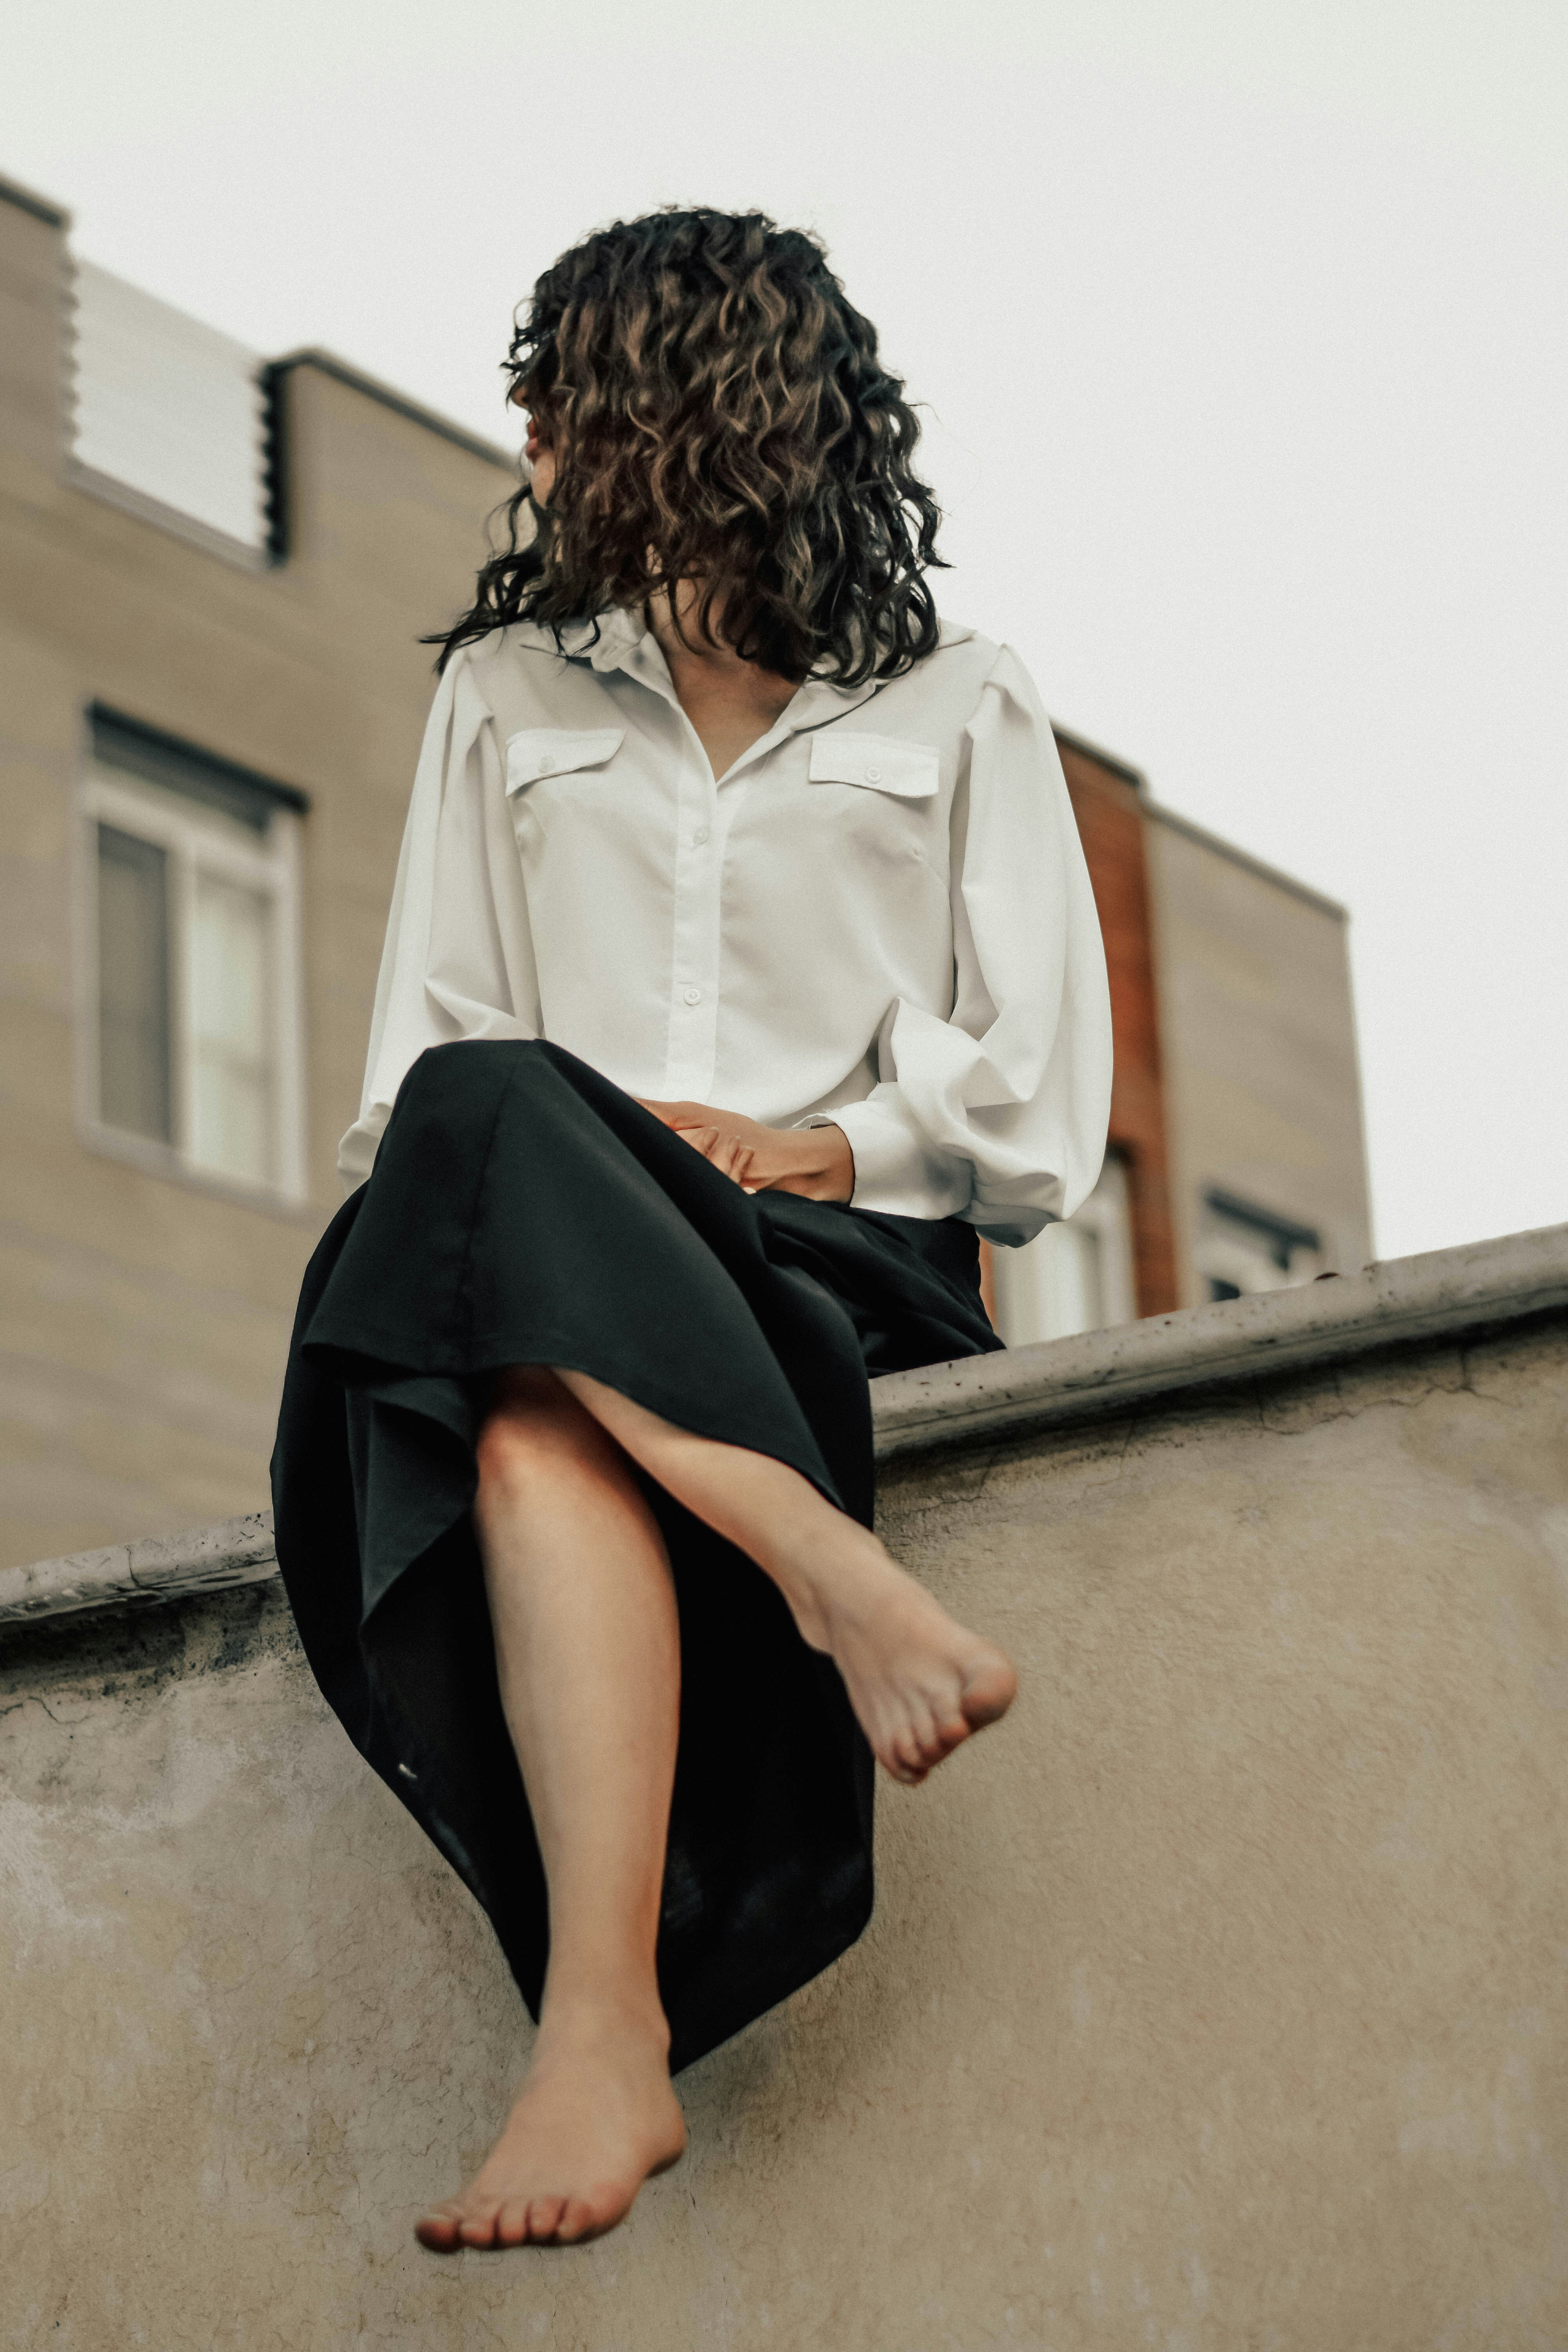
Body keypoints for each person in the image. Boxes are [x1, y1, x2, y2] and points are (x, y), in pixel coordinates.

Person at [271, 206, 1112, 2255]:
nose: (534, 446)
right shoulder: (505, 696)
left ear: (696, 404)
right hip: (561, 1248)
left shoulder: (958, 702)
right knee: (491, 1170)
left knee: (520, 1305)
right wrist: (608, 1164)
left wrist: (804, 1149)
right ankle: (637, 1958)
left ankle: (602, 2032)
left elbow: (1038, 1110)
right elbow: (429, 1075)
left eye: (564, 399)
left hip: (843, 1272)